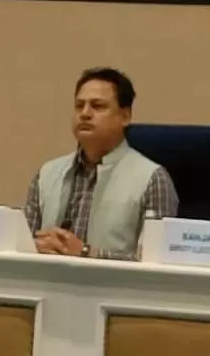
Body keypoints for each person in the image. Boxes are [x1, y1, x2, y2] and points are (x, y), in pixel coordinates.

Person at [24, 67, 177, 260]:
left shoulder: (153, 180)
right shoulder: (46, 174)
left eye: (97, 106)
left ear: (125, 116)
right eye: (79, 105)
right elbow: (20, 246)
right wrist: (34, 247)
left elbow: (155, 262)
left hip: (113, 281)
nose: (85, 113)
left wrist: (86, 252)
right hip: (46, 278)